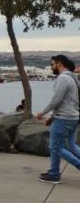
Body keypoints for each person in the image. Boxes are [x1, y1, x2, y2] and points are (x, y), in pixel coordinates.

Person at [37, 55, 80, 184]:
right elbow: (68, 100)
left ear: (59, 64)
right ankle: (54, 173)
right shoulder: (74, 78)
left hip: (64, 118)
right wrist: (52, 116)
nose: (51, 67)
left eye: (52, 64)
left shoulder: (63, 78)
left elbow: (57, 99)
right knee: (70, 145)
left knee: (55, 146)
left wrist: (44, 112)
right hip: (73, 117)